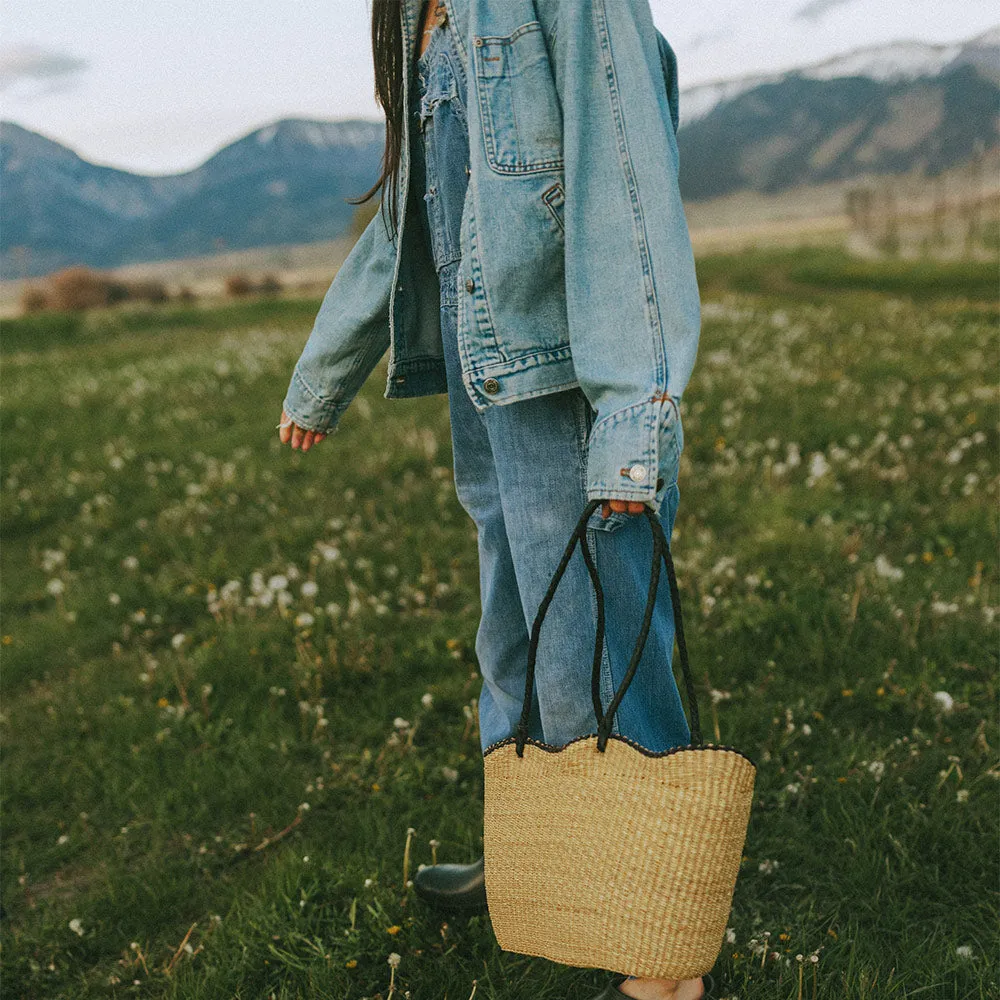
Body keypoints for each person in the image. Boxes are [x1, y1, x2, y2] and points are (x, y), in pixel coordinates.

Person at [278, 2, 708, 997]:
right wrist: (325, 368)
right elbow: (406, 221)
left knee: (596, 641)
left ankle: (657, 947)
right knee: (513, 628)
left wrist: (632, 419)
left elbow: (626, 189)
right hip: (490, 379)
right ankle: (532, 851)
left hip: (572, 370)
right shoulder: (415, 18)